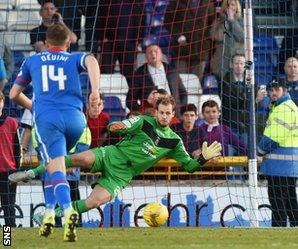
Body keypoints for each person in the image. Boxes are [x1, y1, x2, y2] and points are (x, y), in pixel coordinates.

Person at [9, 96, 223, 227]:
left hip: (121, 175)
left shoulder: (174, 142)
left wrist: (203, 158)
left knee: (94, 202)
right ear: (156, 112)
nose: (165, 116)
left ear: (173, 114)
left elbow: (189, 167)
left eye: (168, 113)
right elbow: (115, 127)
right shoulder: (143, 121)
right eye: (161, 112)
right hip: (112, 155)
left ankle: (53, 216)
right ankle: (32, 173)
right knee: (79, 158)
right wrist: (118, 126)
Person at [8, 23, 100, 242]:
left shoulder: (32, 60)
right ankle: (49, 212)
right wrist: (95, 91)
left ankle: (68, 211)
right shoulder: (72, 58)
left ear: (46, 43)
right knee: (54, 165)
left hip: (49, 121)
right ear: (68, 42)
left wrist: (34, 106)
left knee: (54, 165)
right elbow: (92, 60)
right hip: (77, 121)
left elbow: (13, 94)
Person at [257, 80, 298, 227]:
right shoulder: (286, 107)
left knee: (278, 201)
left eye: (276, 89)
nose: (273, 93)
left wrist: (258, 152)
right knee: (290, 200)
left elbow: (273, 137)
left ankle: (279, 231)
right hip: (287, 166)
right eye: (271, 90)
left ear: (284, 90)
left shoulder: (283, 108)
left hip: (280, 166)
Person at [127, 44, 187, 112]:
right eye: (150, 52)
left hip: (174, 114)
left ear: (161, 55)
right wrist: (142, 112)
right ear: (146, 56)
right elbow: (130, 100)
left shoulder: (172, 71)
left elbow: (183, 93)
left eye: (156, 51)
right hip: (152, 115)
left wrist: (180, 110)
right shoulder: (139, 73)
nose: (153, 53)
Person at [165, 0, 215, 79]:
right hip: (181, 49)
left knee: (195, 84)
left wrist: (206, 36)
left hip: (200, 50)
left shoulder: (208, 3)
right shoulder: (176, 2)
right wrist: (178, 36)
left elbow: (212, 22)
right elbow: (168, 21)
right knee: (180, 82)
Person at [209, 0, 245, 79]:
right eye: (228, 5)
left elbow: (242, 37)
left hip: (237, 61)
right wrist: (226, 21)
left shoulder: (242, 21)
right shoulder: (218, 21)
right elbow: (217, 37)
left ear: (237, 7)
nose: (230, 7)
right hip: (221, 62)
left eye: (233, 5)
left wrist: (232, 20)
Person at [0, 92, 20, 227]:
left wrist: (17, 172)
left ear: (2, 102)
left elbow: (17, 149)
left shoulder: (12, 123)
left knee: (8, 208)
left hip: (8, 173)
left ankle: (8, 241)